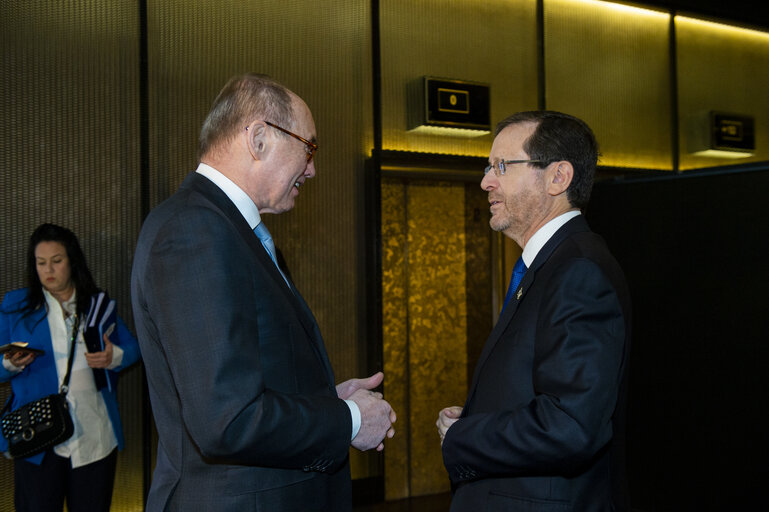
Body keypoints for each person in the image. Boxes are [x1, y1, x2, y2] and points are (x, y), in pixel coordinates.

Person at [131, 73, 396, 512]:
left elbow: (246, 381)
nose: (312, 168)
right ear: (258, 139)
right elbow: (226, 420)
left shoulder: (227, 229)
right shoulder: (195, 232)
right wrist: (349, 420)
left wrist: (325, 401)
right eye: (309, 147)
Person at [436, 111, 631, 511]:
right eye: (489, 167)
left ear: (558, 177)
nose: (486, 181)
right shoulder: (550, 265)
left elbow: (570, 425)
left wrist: (464, 436)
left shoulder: (578, 269)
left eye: (502, 166)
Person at [0, 223, 141, 512]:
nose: (48, 270)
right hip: (37, 436)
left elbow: (134, 349)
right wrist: (8, 363)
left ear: (72, 261)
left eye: (56, 261)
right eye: (41, 263)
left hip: (95, 436)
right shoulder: (16, 307)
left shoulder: (98, 305)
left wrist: (113, 356)